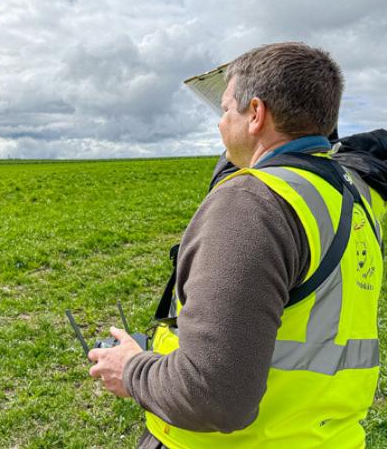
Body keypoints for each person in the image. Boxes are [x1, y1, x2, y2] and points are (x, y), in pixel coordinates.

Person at [87, 42, 385, 448]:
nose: (220, 123)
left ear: (256, 114)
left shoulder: (253, 202)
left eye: (226, 109)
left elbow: (215, 397)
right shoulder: (352, 195)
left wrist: (132, 369)